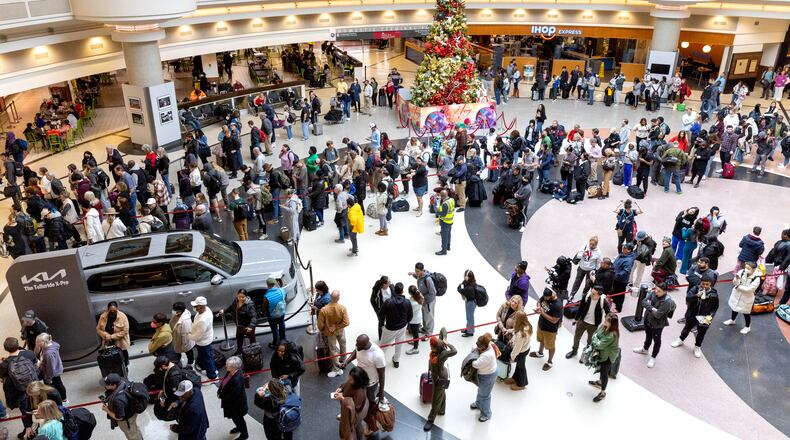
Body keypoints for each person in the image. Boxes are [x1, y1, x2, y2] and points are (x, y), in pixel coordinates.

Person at [340, 335, 386, 435]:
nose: (356, 345)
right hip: (357, 378)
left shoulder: (377, 355)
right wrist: (347, 361)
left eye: (358, 344)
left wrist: (381, 392)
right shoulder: (360, 346)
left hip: (370, 384)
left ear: (365, 345)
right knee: (350, 395)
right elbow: (355, 352)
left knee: (368, 405)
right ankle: (349, 413)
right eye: (356, 343)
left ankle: (370, 425)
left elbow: (382, 375)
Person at [671, 276, 719, 358]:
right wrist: (696, 296)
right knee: (687, 328)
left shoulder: (714, 294)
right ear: (700, 283)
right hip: (692, 313)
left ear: (710, 284)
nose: (704, 286)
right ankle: (680, 339)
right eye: (703, 284)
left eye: (707, 284)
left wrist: (710, 316)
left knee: (701, 332)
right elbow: (688, 298)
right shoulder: (695, 289)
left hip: (705, 316)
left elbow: (715, 307)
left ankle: (697, 347)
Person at [0, 337, 38, 437]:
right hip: (35, 388)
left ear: (5, 349)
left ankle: (27, 430)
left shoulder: (4, 364)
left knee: (25, 412)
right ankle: (38, 427)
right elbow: (36, 365)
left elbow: (3, 377)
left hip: (21, 393)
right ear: (18, 345)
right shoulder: (29, 354)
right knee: (37, 408)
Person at [633, 283, 674, 368]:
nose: (656, 292)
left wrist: (649, 307)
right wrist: (652, 308)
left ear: (665, 292)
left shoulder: (667, 301)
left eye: (659, 291)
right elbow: (643, 302)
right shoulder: (653, 292)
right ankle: (645, 349)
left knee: (657, 340)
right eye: (656, 289)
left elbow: (658, 315)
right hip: (647, 318)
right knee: (648, 335)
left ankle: (653, 357)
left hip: (657, 324)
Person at [566, 285, 610, 359]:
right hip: (582, 321)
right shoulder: (587, 297)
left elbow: (608, 313)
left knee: (590, 341)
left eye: (593, 294)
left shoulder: (603, 302)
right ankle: (574, 351)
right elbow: (580, 308)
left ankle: (587, 353)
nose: (591, 295)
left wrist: (607, 324)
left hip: (594, 325)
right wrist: (576, 319)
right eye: (591, 292)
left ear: (599, 295)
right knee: (576, 337)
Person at [378, 283, 412, 368]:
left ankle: (378, 362)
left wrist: (382, 325)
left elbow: (380, 314)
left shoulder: (388, 302)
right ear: (403, 291)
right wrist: (405, 323)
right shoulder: (407, 302)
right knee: (399, 345)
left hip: (390, 328)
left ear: (393, 291)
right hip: (402, 327)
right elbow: (410, 316)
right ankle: (396, 361)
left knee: (383, 346)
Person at [588, 313, 620, 402]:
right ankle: (599, 382)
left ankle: (602, 393)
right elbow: (595, 333)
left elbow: (599, 345)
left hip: (608, 357)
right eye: (605, 319)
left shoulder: (612, 335)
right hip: (602, 354)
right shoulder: (603, 326)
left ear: (612, 324)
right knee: (601, 369)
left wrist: (595, 338)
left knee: (604, 373)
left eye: (607, 321)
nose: (604, 321)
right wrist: (596, 338)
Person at [101, 373, 143, 440]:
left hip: (127, 420)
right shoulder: (123, 382)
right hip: (132, 411)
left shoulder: (118, 400)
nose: (105, 386)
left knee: (132, 435)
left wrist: (107, 410)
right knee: (134, 430)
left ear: (114, 385)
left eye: (107, 384)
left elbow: (119, 418)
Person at [530, 288, 563, 371]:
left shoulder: (558, 305)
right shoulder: (546, 296)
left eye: (547, 297)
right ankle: (540, 352)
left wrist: (542, 313)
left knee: (551, 345)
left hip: (550, 329)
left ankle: (550, 361)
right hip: (541, 324)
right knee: (541, 340)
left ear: (552, 295)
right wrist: (538, 307)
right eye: (544, 297)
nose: (545, 299)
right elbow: (539, 301)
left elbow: (554, 320)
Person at [318, 290, 349, 378]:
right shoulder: (342, 308)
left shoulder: (324, 310)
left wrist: (325, 330)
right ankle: (343, 361)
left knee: (333, 349)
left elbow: (320, 325)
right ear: (338, 298)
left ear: (330, 297)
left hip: (330, 333)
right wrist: (337, 326)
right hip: (341, 330)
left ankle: (336, 369)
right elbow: (346, 322)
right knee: (343, 344)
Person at [724, 261, 760, 335]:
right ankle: (732, 320)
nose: (746, 269)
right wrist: (736, 280)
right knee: (734, 308)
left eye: (748, 268)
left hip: (746, 297)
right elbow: (735, 282)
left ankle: (747, 327)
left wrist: (738, 286)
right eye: (746, 267)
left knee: (746, 313)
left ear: (753, 269)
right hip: (737, 294)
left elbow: (750, 289)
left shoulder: (756, 278)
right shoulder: (741, 272)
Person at [334, 367, 369, 439]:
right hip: (348, 407)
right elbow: (346, 384)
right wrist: (341, 388)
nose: (349, 380)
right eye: (349, 377)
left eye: (351, 379)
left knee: (355, 426)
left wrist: (342, 398)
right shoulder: (353, 382)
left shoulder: (359, 392)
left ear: (357, 381)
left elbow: (354, 407)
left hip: (356, 413)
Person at [218, 356, 248, 440]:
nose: (225, 366)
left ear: (233, 367)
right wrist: (220, 390)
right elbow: (224, 381)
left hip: (237, 404)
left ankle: (244, 434)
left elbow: (232, 396)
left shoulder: (236, 380)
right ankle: (239, 428)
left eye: (227, 365)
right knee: (235, 418)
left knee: (239, 419)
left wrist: (221, 395)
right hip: (232, 403)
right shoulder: (230, 372)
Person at [470, 333, 498, 422]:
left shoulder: (487, 356)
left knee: (485, 395)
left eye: (479, 346)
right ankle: (478, 403)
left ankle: (486, 414)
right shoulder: (488, 345)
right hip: (485, 374)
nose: (477, 347)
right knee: (481, 391)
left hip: (488, 376)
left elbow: (475, 364)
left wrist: (471, 356)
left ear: (484, 346)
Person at [219, 290, 258, 355]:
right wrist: (224, 311)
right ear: (237, 296)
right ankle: (239, 350)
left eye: (243, 297)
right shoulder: (236, 301)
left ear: (246, 296)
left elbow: (253, 317)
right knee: (239, 338)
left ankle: (254, 353)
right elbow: (231, 307)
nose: (241, 298)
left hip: (248, 326)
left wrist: (251, 326)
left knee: (252, 340)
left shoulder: (250, 305)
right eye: (239, 296)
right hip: (239, 326)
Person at [189, 296, 217, 380]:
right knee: (205, 355)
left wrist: (188, 336)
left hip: (203, 341)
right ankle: (201, 365)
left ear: (201, 306)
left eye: (196, 306)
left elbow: (198, 335)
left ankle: (212, 376)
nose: (194, 308)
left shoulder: (203, 320)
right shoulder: (207, 309)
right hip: (206, 338)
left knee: (207, 358)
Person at [569, 236, 602, 302]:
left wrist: (596, 271)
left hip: (590, 270)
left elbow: (598, 263)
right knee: (577, 281)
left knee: (588, 284)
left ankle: (584, 294)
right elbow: (578, 255)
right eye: (590, 244)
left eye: (593, 244)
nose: (591, 246)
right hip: (581, 268)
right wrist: (582, 254)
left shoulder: (598, 252)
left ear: (596, 244)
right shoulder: (584, 247)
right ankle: (572, 294)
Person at [506, 311, 533, 391]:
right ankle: (515, 378)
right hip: (525, 349)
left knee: (521, 368)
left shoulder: (521, 334)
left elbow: (517, 348)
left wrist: (512, 357)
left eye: (515, 318)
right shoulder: (527, 325)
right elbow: (517, 329)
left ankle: (522, 384)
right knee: (519, 366)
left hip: (521, 352)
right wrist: (510, 331)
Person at [410, 262, 437, 336]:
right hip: (424, 300)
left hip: (429, 301)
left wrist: (424, 298)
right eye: (415, 270)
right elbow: (418, 277)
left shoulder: (428, 279)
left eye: (418, 271)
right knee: (425, 315)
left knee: (429, 316)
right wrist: (413, 274)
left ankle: (429, 333)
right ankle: (425, 328)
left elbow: (433, 292)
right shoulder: (419, 275)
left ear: (422, 270)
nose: (416, 272)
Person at [263, 276, 287, 349]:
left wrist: (264, 312)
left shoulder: (266, 296)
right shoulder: (281, 291)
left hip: (272, 315)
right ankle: (283, 339)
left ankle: (276, 343)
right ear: (274, 283)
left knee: (274, 328)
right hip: (281, 312)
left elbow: (264, 306)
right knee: (282, 324)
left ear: (267, 285)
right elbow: (285, 298)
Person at [457, 270, 483, 337]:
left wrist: (460, 285)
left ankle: (470, 332)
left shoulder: (470, 287)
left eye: (466, 275)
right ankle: (468, 329)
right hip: (469, 302)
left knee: (470, 317)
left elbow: (459, 289)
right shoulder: (469, 282)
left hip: (470, 303)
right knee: (468, 317)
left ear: (469, 277)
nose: (464, 276)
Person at [612, 243, 636, 312]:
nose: (623, 249)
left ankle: (618, 308)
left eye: (624, 248)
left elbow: (626, 272)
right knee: (615, 290)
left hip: (621, 280)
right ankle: (614, 300)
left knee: (620, 294)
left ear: (629, 250)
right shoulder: (622, 254)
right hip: (616, 278)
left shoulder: (628, 260)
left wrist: (616, 275)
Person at [170, 302, 195, 367]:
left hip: (184, 341)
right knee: (177, 351)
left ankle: (190, 363)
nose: (173, 311)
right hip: (176, 339)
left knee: (188, 352)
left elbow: (186, 335)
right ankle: (179, 360)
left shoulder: (185, 321)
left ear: (180, 311)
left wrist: (185, 345)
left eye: (175, 310)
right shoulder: (176, 314)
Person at [435, 189, 455, 255]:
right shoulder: (451, 200)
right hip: (450, 220)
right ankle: (448, 246)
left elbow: (443, 214)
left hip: (445, 221)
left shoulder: (445, 204)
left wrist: (438, 211)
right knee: (448, 234)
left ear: (442, 196)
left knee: (444, 236)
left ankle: (444, 250)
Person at [405, 286, 424, 354]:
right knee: (414, 332)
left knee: (415, 333)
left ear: (410, 293)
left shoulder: (411, 303)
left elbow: (408, 312)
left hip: (414, 320)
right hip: (417, 317)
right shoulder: (420, 296)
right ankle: (415, 341)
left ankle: (415, 348)